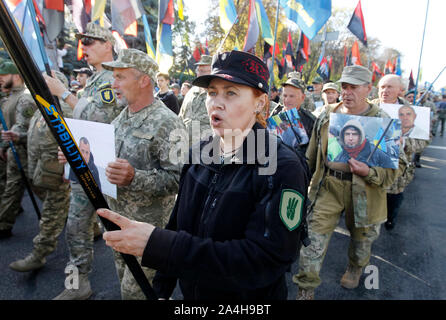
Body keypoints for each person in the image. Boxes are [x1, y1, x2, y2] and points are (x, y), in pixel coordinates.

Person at [97, 50, 310, 300]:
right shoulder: (200, 152)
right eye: (212, 93)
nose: (216, 103)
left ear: (260, 103)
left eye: (231, 93)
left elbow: (265, 259)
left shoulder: (281, 166)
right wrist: (162, 289)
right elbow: (178, 225)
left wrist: (160, 245)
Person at [293, 65, 405, 300]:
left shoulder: (382, 121)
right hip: (328, 187)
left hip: (366, 191)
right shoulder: (327, 114)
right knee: (313, 238)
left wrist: (369, 172)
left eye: (354, 87)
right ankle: (306, 288)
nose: (347, 92)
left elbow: (395, 171)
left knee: (361, 239)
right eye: (344, 86)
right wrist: (302, 184)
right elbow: (311, 156)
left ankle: (355, 267)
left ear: (368, 88)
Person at [44, 22, 125, 300]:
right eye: (83, 42)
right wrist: (71, 152)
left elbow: (99, 118)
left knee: (118, 234)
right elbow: (84, 128)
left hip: (109, 172)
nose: (84, 48)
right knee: (76, 228)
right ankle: (78, 285)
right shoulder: (92, 79)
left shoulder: (114, 78)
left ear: (107, 45)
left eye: (90, 42)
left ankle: (139, 287)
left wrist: (63, 93)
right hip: (85, 166)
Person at [99, 48, 185, 299]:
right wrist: (80, 159)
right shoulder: (119, 119)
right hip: (117, 222)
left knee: (133, 293)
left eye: (120, 77)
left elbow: (179, 179)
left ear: (143, 80)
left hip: (148, 233)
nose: (113, 84)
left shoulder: (169, 122)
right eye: (113, 77)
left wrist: (134, 177)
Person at [9, 71, 73, 272]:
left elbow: (77, 142)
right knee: (69, 211)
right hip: (42, 171)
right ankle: (94, 229)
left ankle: (39, 254)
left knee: (50, 217)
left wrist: (69, 171)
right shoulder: (41, 108)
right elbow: (33, 135)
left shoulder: (64, 111)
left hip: (58, 175)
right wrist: (17, 136)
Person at [0, 61, 37, 239]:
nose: (0, 79)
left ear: (16, 76)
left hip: (26, 152)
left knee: (44, 189)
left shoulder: (25, 97)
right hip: (15, 151)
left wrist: (7, 142)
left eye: (3, 76)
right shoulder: (10, 97)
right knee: (13, 187)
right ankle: (4, 224)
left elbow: (23, 127)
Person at [270, 72, 315, 154]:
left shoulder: (310, 120)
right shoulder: (276, 113)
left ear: (302, 98)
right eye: (285, 96)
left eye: (292, 96)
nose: (287, 100)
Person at [178, 55, 213, 146]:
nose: (203, 75)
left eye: (207, 71)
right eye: (200, 71)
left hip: (208, 148)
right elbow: (181, 117)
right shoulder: (191, 92)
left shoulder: (218, 95)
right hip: (185, 146)